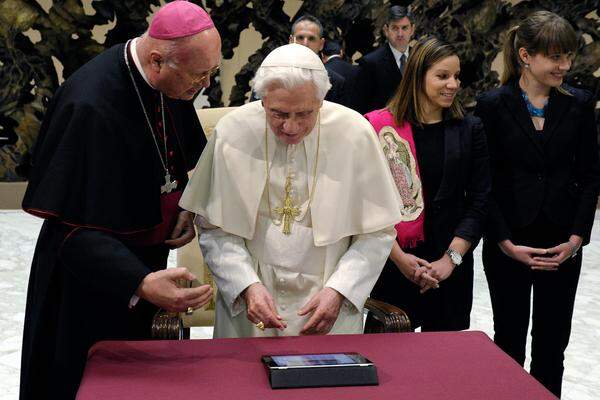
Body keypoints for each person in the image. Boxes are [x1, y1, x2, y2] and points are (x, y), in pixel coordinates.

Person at [19, 2, 221, 399]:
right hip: (87, 284)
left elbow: (179, 159)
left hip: (148, 264)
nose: (205, 86)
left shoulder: (169, 81)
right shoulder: (89, 106)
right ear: (158, 59)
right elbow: (71, 229)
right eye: (200, 76)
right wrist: (139, 282)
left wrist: (185, 204)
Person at [180, 43, 402, 338]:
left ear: (321, 101)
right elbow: (214, 229)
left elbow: (377, 233)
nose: (291, 127)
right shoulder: (232, 133)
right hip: (250, 309)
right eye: (279, 113)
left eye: (305, 113)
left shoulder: (355, 134)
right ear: (262, 100)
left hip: (328, 304)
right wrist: (246, 286)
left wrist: (340, 290)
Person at [474, 11, 600, 397]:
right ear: (526, 55)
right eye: (556, 57)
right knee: (507, 344)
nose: (565, 66)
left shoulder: (579, 103)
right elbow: (485, 182)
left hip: (562, 243)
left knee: (552, 346)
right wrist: (503, 240)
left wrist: (576, 239)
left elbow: (591, 176)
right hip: (510, 242)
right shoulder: (493, 104)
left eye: (568, 57)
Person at [366, 37, 490, 332]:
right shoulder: (380, 129)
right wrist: (400, 259)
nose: (453, 84)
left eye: (456, 76)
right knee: (390, 364)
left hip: (450, 265)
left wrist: (450, 260)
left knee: (444, 368)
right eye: (442, 76)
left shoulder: (470, 129)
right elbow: (367, 203)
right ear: (417, 76)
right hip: (395, 262)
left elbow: (480, 200)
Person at [353, 5, 415, 114]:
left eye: (404, 28)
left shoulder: (420, 57)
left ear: (412, 30)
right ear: (386, 30)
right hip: (384, 128)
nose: (400, 34)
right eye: (395, 28)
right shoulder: (370, 63)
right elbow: (360, 107)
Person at [289, 14, 347, 106]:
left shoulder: (335, 83)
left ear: (321, 44)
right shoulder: (272, 72)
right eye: (300, 38)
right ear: (291, 41)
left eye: (311, 38)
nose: (305, 44)